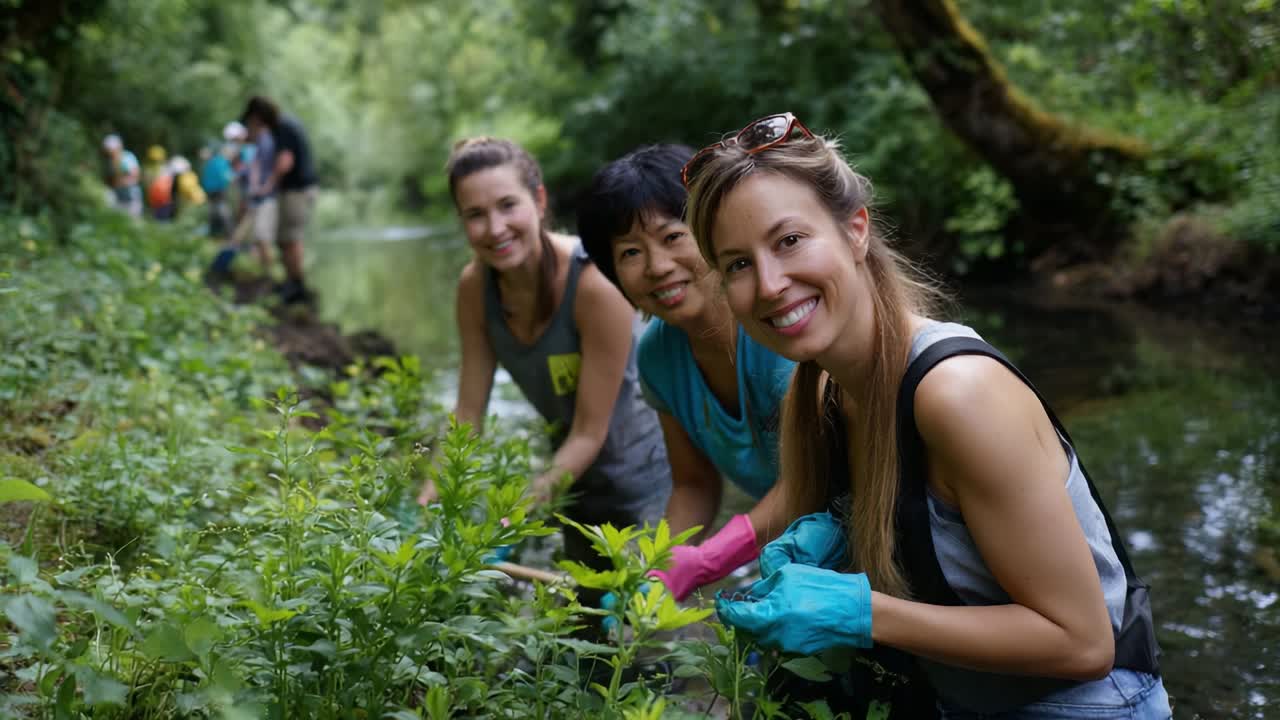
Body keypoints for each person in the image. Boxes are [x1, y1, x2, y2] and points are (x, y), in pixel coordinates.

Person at [685, 113, 1171, 718]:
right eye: (737, 264)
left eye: (789, 241)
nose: (770, 283)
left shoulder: (957, 395)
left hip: (1083, 703)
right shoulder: (822, 391)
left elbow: (1084, 642)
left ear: (856, 230)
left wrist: (861, 613)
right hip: (956, 695)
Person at [418, 137, 672, 599]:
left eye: (507, 206)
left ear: (538, 200)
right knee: (584, 638)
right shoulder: (475, 288)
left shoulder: (594, 285)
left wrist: (513, 516)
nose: (495, 228)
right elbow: (468, 415)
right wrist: (434, 491)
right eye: (475, 214)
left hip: (647, 481)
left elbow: (589, 434)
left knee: (646, 643)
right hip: (572, 480)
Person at [577, 144, 796, 602]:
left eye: (673, 237)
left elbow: (818, 480)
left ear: (716, 233)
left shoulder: (780, 322)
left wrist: (710, 560)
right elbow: (694, 484)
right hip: (802, 539)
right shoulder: (657, 356)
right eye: (630, 253)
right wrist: (656, 565)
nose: (657, 267)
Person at [240, 96, 317, 303]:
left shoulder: (281, 127)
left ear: (258, 116)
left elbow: (285, 162)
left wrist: (268, 185)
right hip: (294, 190)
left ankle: (298, 287)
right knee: (285, 240)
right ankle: (292, 283)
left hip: (295, 190)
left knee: (290, 239)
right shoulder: (286, 124)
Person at [101, 134, 141, 217]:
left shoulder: (127, 157)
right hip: (118, 195)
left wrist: (121, 181)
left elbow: (135, 176)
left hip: (130, 196)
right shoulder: (110, 162)